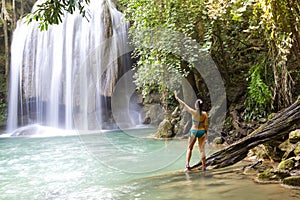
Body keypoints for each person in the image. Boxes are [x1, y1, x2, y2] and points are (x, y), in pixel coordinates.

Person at [174, 91, 208, 171]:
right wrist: (206, 134)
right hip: (202, 132)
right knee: (202, 150)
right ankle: (204, 167)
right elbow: (206, 125)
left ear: (196, 106)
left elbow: (184, 105)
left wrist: (177, 98)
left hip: (194, 131)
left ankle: (187, 165)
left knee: (190, 148)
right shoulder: (205, 114)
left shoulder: (193, 112)